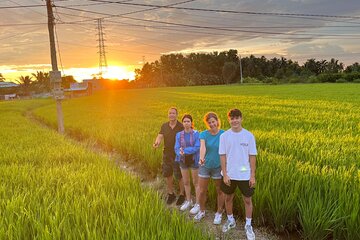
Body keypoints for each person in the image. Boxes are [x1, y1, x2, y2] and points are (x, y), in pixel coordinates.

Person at [219, 109, 257, 240]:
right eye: (232, 118)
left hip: (245, 175)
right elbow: (222, 156)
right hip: (229, 174)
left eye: (237, 118)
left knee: (247, 199)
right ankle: (231, 220)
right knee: (228, 198)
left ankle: (248, 225)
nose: (234, 120)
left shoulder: (249, 136)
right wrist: (224, 174)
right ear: (229, 120)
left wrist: (252, 176)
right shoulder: (224, 136)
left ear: (241, 119)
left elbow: (252, 156)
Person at [194, 112, 225, 225]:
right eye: (209, 122)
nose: (212, 124)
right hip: (205, 166)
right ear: (207, 124)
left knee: (220, 191)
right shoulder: (203, 134)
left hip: (218, 166)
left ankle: (219, 212)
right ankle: (202, 211)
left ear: (217, 121)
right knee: (202, 191)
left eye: (213, 121)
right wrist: (201, 158)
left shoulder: (223, 134)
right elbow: (202, 147)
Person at [153, 107, 185, 205]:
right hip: (166, 154)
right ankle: (171, 194)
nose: (171, 115)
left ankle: (182, 194)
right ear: (168, 115)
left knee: (179, 175)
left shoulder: (181, 126)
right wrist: (157, 143)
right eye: (170, 113)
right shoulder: (164, 126)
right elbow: (160, 136)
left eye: (173, 113)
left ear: (176, 115)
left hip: (177, 155)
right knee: (168, 174)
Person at [174, 114, 200, 213]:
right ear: (183, 123)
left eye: (188, 121)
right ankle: (188, 201)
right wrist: (179, 152)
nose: (186, 123)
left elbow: (197, 147)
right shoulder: (178, 135)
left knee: (196, 182)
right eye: (184, 121)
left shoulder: (197, 134)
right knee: (186, 182)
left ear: (191, 123)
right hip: (183, 160)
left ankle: (198, 204)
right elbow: (176, 147)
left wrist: (184, 150)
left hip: (194, 159)